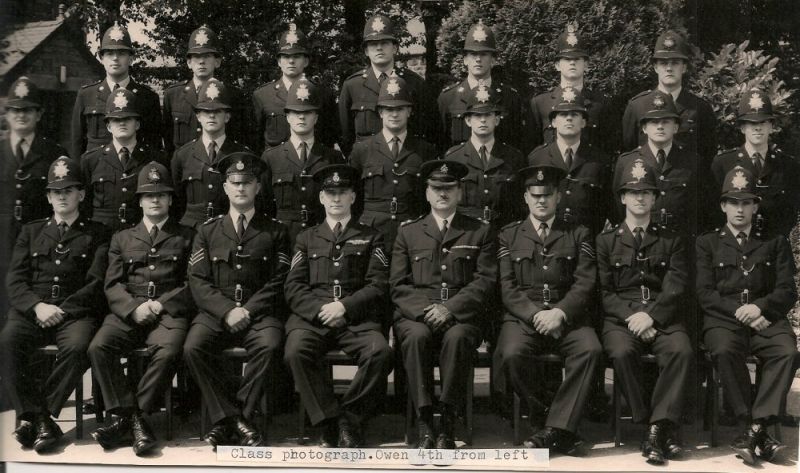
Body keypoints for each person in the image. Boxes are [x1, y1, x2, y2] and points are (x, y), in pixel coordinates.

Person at [0, 157, 110, 453]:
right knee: (6, 343)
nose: (62, 196)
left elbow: (96, 283)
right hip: (33, 311)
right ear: (48, 196)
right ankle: (40, 419)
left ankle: (36, 417)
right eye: (56, 191)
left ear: (81, 195)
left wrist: (63, 310)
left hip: (74, 315)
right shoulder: (31, 231)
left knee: (78, 349)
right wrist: (37, 307)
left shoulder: (98, 233)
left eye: (69, 190)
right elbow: (15, 280)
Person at [184, 152, 291, 449]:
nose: (241, 189)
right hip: (217, 312)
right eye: (235, 183)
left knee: (270, 346)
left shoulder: (276, 230)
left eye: (247, 183)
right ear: (225, 188)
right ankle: (237, 420)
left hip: (260, 313)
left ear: (258, 187)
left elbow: (280, 279)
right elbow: (197, 279)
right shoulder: (207, 231)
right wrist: (227, 310)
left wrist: (249, 309)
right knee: (193, 347)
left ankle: (231, 419)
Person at [493, 164, 601, 456]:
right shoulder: (509, 235)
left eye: (548, 195)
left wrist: (561, 313)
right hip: (524, 317)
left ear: (558, 197)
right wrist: (534, 315)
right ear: (526, 197)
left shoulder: (578, 232)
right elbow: (507, 286)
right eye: (535, 195)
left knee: (590, 349)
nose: (542, 200)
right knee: (512, 354)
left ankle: (552, 429)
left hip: (567, 315)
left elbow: (585, 282)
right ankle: (555, 424)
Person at [88, 162, 195, 456]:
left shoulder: (187, 235)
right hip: (128, 312)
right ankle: (133, 418)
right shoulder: (122, 238)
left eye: (162, 194)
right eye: (149, 195)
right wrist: (134, 309)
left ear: (171, 199)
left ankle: (131, 419)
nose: (156, 200)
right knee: (99, 346)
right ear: (139, 201)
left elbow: (192, 283)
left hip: (168, 312)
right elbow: (112, 284)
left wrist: (161, 303)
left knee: (170, 351)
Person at [284, 164, 393, 448]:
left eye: (342, 192)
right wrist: (323, 311)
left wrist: (344, 307)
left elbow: (378, 284)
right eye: (330, 193)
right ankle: (327, 420)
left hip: (355, 318)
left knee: (380, 352)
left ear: (353, 197)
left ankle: (349, 418)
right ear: (321, 198)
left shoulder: (371, 236)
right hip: (314, 318)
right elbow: (293, 287)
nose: (336, 198)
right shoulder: (305, 238)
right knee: (295, 351)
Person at [390, 160, 496, 449]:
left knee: (458, 337)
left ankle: (448, 418)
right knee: (416, 337)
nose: (443, 194)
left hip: (461, 315)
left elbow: (485, 280)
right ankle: (425, 420)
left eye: (449, 189)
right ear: (427, 193)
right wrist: (427, 310)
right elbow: (398, 284)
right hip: (417, 315)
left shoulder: (480, 231)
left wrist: (450, 309)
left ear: (460, 193)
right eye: (436, 188)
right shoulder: (408, 232)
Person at [696, 165, 798, 466]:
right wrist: (742, 311)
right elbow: (704, 293)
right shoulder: (707, 243)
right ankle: (753, 425)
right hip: (724, 320)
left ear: (755, 205)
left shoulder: (774, 241)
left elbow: (787, 290)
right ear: (723, 206)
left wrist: (761, 308)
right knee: (724, 349)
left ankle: (755, 429)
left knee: (787, 351)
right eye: (733, 203)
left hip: (765, 318)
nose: (740, 210)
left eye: (746, 203)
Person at [597, 158, 694, 465]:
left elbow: (677, 285)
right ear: (622, 197)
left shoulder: (671, 239)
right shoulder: (605, 241)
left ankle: (655, 430)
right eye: (632, 192)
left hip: (661, 316)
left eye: (647, 192)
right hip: (621, 320)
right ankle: (651, 422)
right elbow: (603, 292)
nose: (640, 198)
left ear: (655, 198)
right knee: (622, 353)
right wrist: (633, 317)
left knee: (682, 350)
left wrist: (652, 315)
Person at [0, 77, 69, 316]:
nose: (21, 115)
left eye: (28, 109)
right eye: (15, 110)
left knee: (34, 297)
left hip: (39, 239)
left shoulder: (54, 153)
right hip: (2, 238)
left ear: (39, 114)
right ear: (7, 114)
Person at [349, 75, 437, 253]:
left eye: (400, 108)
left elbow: (429, 199)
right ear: (380, 112)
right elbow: (352, 197)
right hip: (371, 233)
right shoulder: (362, 150)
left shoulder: (425, 150)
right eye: (388, 109)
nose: (394, 114)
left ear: (409, 111)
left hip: (412, 232)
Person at [260, 76, 344, 243]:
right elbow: (263, 204)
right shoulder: (271, 157)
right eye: (296, 112)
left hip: (323, 236)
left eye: (307, 112)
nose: (302, 117)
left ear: (316, 118)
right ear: (288, 117)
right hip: (283, 238)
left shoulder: (332, 157)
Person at [338, 13, 433, 155]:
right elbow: (344, 134)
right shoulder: (352, 85)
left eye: (384, 43)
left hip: (405, 160)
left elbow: (428, 128)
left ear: (394, 48)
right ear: (366, 51)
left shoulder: (414, 83)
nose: (379, 48)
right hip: (366, 164)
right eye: (373, 44)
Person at [711, 89, 800, 238]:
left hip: (775, 249)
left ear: (771, 126)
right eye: (751, 123)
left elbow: (792, 210)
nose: (758, 127)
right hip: (735, 247)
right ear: (742, 128)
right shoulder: (723, 164)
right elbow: (713, 211)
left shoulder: (788, 166)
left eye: (763, 122)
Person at [613, 90, 705, 234]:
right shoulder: (627, 162)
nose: (660, 126)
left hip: (682, 243)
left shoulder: (693, 161)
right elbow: (618, 208)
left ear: (675, 127)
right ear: (644, 128)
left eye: (666, 121)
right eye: (654, 122)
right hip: (642, 240)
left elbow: (701, 208)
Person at [527, 86, 612, 236]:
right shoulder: (537, 157)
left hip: (588, 239)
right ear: (553, 122)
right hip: (548, 239)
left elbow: (606, 205)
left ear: (584, 122)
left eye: (574, 114)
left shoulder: (599, 160)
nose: (569, 118)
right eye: (563, 114)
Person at [80, 87, 167, 232]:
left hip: (140, 237)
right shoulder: (91, 160)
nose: (122, 123)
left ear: (137, 124)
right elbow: (84, 205)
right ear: (108, 126)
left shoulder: (155, 159)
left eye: (127, 118)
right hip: (102, 236)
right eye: (116, 119)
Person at [621, 30, 716, 161]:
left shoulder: (700, 108)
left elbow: (707, 156)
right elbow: (628, 153)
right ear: (655, 67)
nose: (669, 68)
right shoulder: (637, 106)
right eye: (664, 63)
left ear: (684, 67)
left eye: (675, 62)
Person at [71, 22, 161, 159]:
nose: (115, 58)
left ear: (131, 58)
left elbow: (154, 146)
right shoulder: (86, 95)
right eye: (109, 53)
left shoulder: (147, 98)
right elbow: (77, 146)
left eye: (121, 53)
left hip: (135, 170)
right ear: (101, 58)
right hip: (97, 173)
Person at [170, 79, 251, 227]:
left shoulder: (241, 154)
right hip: (191, 230)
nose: (212, 116)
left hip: (229, 228)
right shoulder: (182, 155)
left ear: (227, 117)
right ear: (198, 116)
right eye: (206, 111)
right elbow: (176, 200)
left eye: (217, 111)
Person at [527, 22, 617, 155]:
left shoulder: (601, 103)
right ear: (557, 65)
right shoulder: (540, 103)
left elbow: (608, 148)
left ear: (586, 64)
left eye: (577, 58)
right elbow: (532, 149)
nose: (572, 62)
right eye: (566, 59)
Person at [444, 83, 525, 228]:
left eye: (488, 115)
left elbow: (519, 205)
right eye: (477, 115)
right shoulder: (453, 158)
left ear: (497, 120)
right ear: (468, 121)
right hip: (466, 233)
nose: (483, 120)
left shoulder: (513, 157)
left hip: (503, 232)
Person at [437, 20, 522, 151]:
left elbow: (518, 142)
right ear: (465, 59)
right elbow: (441, 143)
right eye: (473, 54)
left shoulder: (510, 97)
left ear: (493, 60)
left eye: (483, 54)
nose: (478, 59)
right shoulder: (447, 98)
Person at [253, 24, 338, 151]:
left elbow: (330, 138)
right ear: (279, 61)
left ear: (306, 61)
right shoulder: (263, 96)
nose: (291, 61)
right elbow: (256, 140)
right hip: (275, 167)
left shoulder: (323, 95)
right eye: (286, 57)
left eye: (297, 56)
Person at [163, 26, 235, 155]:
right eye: (196, 56)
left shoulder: (232, 95)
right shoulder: (173, 95)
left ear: (217, 62)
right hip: (184, 168)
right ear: (189, 63)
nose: (201, 61)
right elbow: (168, 141)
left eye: (207, 56)